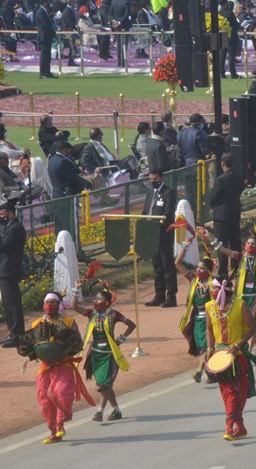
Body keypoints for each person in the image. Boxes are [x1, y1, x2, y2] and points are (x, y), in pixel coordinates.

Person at [16, 292, 93, 444]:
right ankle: (54, 431)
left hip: (63, 364)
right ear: (43, 305)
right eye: (47, 302)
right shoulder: (36, 324)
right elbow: (29, 344)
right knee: (44, 399)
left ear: (58, 305)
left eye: (53, 302)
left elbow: (77, 344)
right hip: (45, 367)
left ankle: (60, 424)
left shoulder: (69, 322)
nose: (50, 305)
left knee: (61, 392)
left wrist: (62, 350)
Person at [207, 231, 256, 357]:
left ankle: (250, 351)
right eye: (248, 243)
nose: (250, 245)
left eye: (253, 244)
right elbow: (224, 250)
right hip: (240, 295)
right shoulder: (240, 256)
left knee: (252, 323)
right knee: (245, 323)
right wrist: (210, 237)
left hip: (255, 295)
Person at [204, 276, 256, 440]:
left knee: (239, 392)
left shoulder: (240, 305)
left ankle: (232, 426)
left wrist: (238, 345)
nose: (210, 291)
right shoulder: (209, 307)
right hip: (220, 357)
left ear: (221, 291)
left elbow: (252, 327)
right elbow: (209, 329)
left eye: (213, 289)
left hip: (238, 356)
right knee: (228, 392)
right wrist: (209, 348)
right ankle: (235, 427)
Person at [72, 282, 136, 421]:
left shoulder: (114, 314)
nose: (96, 301)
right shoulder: (91, 313)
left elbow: (132, 325)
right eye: (95, 298)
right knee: (104, 384)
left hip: (109, 352)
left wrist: (121, 339)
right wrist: (76, 290)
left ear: (107, 302)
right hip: (95, 352)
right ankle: (116, 410)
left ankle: (99, 411)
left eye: (99, 299)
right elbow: (74, 307)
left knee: (104, 383)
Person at [174, 245, 214, 376]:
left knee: (205, 346)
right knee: (200, 345)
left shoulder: (213, 283)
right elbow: (177, 263)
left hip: (209, 318)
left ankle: (200, 370)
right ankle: (211, 373)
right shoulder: (193, 280)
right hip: (196, 318)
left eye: (202, 268)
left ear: (209, 271)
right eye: (198, 267)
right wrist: (184, 248)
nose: (198, 270)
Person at [142, 169, 178, 308]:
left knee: (167, 265)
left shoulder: (169, 193)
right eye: (150, 179)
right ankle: (159, 295)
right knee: (157, 266)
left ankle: (171, 296)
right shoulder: (150, 193)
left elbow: (168, 214)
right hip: (151, 235)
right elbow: (145, 211)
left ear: (161, 178)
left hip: (163, 235)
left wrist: (156, 225)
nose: (152, 182)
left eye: (155, 179)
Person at [208, 154, 245, 278]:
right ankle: (236, 269)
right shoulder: (238, 177)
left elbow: (213, 197)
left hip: (221, 214)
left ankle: (223, 271)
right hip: (234, 212)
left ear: (223, 165)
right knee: (235, 241)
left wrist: (216, 207)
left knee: (221, 243)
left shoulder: (220, 179)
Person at [0, 198, 25, 348]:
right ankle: (13, 332)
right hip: (5, 270)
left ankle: (17, 334)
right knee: (8, 304)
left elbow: (4, 246)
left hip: (9, 270)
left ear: (9, 213)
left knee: (13, 304)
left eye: (2, 213)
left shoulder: (16, 228)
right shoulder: (10, 225)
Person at [36, 0, 57, 79]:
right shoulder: (40, 12)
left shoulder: (44, 11)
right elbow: (45, 24)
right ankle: (43, 73)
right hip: (44, 36)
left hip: (47, 36)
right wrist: (52, 30)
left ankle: (47, 72)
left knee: (47, 56)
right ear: (44, 3)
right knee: (44, 56)